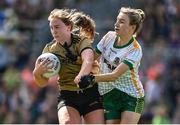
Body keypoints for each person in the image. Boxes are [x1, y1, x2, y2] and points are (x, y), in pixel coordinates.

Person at [33, 9, 104, 124]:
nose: (54, 31)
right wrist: (37, 73)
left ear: (68, 27)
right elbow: (42, 83)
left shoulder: (81, 41)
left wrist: (82, 76)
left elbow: (88, 59)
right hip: (68, 96)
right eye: (51, 28)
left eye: (57, 27)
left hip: (90, 93)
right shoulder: (49, 51)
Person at [79, 7, 146, 124]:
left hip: (131, 96)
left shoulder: (135, 50)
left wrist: (91, 79)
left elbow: (115, 75)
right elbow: (91, 57)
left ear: (132, 27)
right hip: (109, 94)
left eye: (122, 21)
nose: (116, 24)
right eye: (117, 20)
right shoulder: (109, 37)